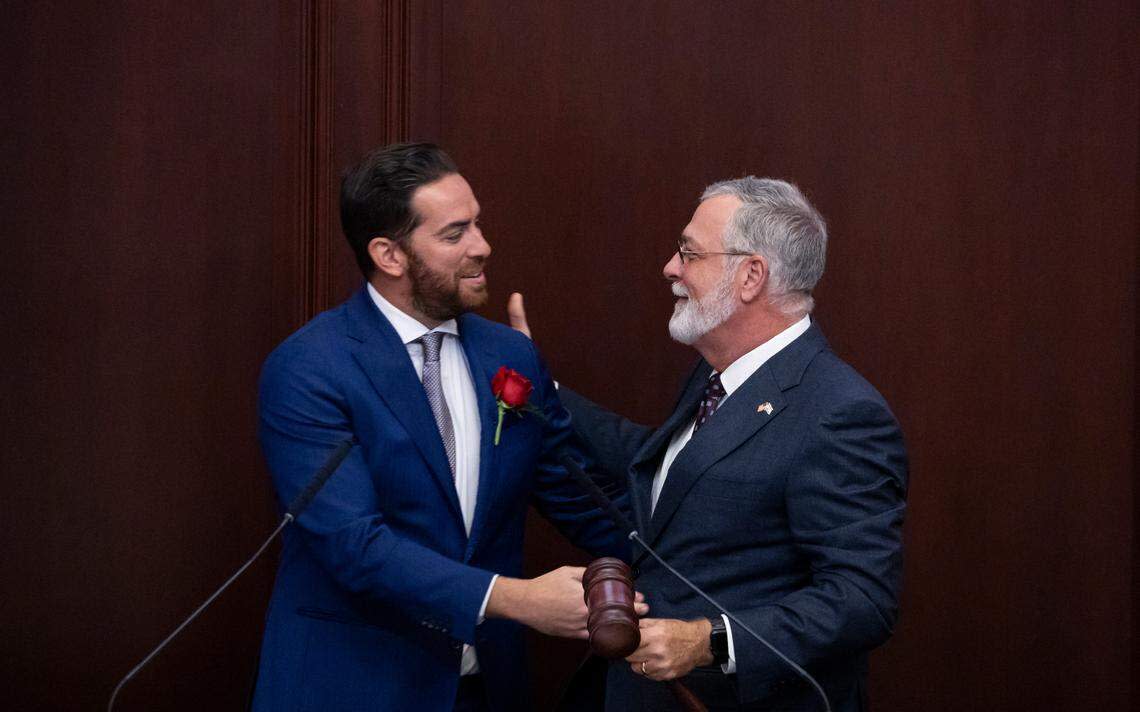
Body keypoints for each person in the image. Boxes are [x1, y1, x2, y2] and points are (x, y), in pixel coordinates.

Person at [251, 142, 637, 712]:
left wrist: (710, 562)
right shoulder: (311, 367)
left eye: (477, 224)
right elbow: (353, 545)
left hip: (486, 687)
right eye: (455, 234)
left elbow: (579, 498)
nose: (483, 247)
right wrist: (514, 599)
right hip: (354, 685)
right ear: (389, 255)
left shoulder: (511, 357)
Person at [510, 177, 907, 711]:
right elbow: (674, 468)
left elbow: (861, 600)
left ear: (750, 276)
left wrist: (710, 641)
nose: (670, 268)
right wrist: (541, 387)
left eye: (689, 254)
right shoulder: (715, 374)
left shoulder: (840, 413)